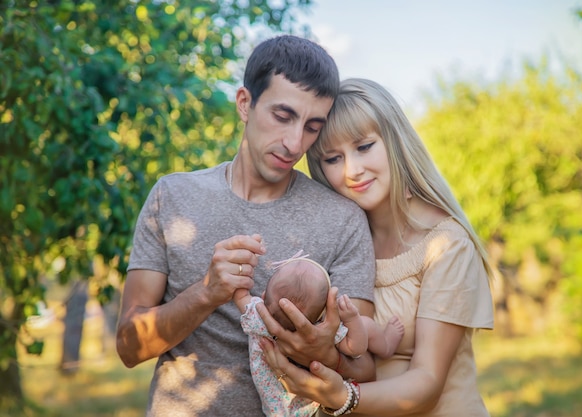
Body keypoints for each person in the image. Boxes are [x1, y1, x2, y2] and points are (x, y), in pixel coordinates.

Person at [115, 36, 378, 417]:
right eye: (283, 116)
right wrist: (206, 293)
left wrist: (321, 351)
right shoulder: (172, 197)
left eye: (311, 126)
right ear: (245, 104)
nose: (294, 143)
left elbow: (365, 370)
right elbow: (128, 346)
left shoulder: (343, 219)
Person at [257, 78, 495, 416]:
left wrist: (341, 397)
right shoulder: (339, 244)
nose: (352, 170)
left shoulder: (445, 243)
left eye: (364, 146)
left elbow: (427, 381)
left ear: (394, 141)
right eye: (333, 158)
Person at [233, 251, 404, 417]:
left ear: (263, 297)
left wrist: (243, 266)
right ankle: (386, 346)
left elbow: (241, 296)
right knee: (366, 324)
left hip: (274, 402)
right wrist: (352, 319)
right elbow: (356, 348)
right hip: (310, 397)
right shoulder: (322, 329)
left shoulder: (257, 315)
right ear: (323, 312)